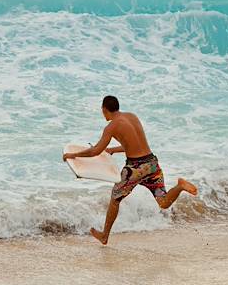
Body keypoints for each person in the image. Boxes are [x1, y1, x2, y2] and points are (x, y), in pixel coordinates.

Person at [64, 96, 197, 245]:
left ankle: (104, 236)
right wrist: (113, 150)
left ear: (104, 109)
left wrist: (73, 155)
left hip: (135, 168)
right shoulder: (132, 117)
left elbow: (95, 151)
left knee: (115, 199)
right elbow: (133, 144)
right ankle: (179, 186)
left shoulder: (111, 127)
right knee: (163, 202)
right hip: (152, 164)